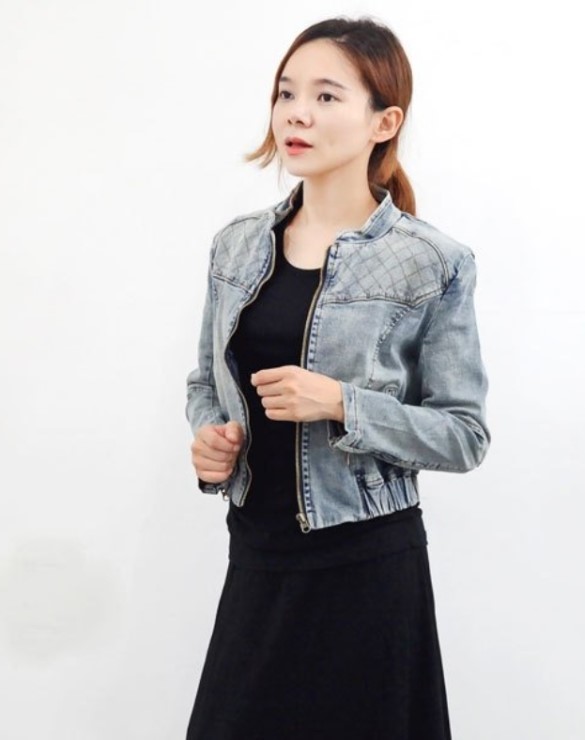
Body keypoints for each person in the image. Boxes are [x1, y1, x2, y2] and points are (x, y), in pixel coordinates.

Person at [184, 15, 490, 740]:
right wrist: (209, 440)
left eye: (326, 96)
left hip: (365, 565)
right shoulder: (236, 246)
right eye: (286, 92)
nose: (297, 113)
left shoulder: (432, 262)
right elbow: (204, 382)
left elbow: (464, 435)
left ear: (385, 122)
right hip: (257, 554)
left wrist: (343, 405)